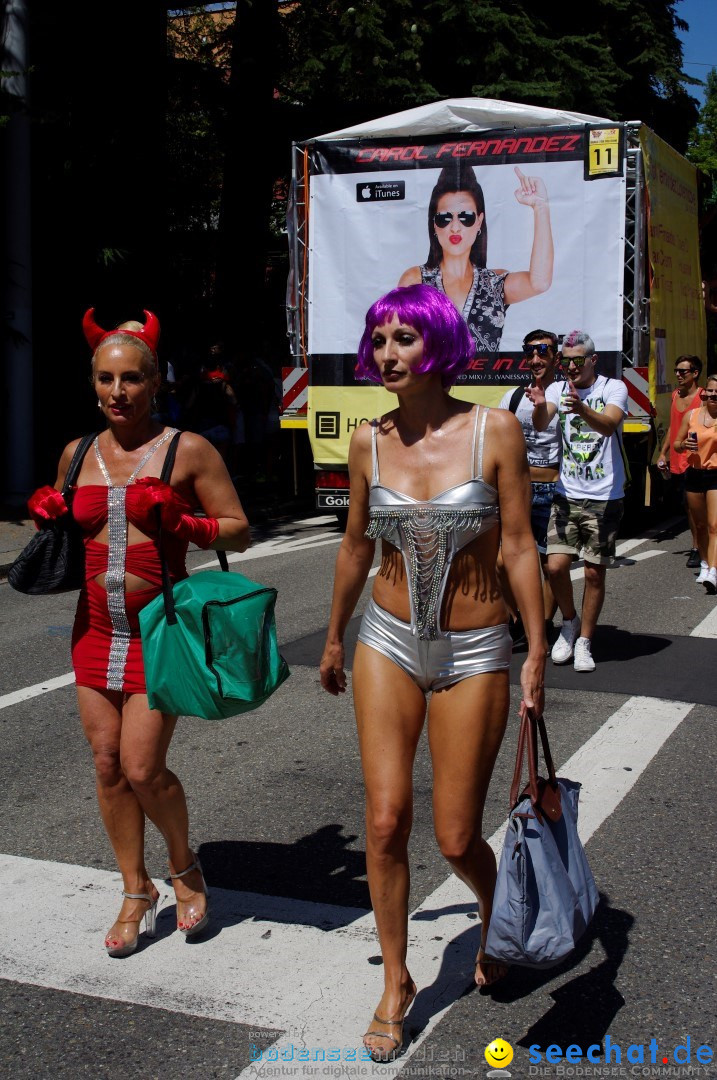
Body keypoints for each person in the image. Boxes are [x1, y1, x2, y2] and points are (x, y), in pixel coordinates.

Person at [319, 285, 546, 1061]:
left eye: (404, 339)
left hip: (476, 653)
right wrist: (330, 637)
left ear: (440, 344)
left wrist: (538, 652)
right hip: (385, 642)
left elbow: (518, 545)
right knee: (384, 822)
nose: (387, 353)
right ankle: (396, 982)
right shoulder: (366, 440)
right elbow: (355, 544)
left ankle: (496, 912)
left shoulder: (495, 429)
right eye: (378, 338)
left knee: (454, 836)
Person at [26, 309, 250, 957]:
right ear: (92, 383)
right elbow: (72, 531)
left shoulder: (188, 449)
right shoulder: (78, 453)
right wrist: (51, 515)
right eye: (105, 379)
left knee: (143, 766)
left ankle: (184, 870)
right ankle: (134, 888)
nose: (116, 392)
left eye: (130, 379)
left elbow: (236, 526)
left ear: (155, 383)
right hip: (93, 630)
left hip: (162, 630)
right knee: (106, 765)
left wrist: (183, 520)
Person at [527, 330, 628, 672]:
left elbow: (608, 424)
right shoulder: (556, 388)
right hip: (567, 495)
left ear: (592, 360)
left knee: (594, 573)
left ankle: (584, 640)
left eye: (577, 360)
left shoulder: (612, 388)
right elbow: (542, 424)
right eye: (565, 360)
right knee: (555, 566)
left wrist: (582, 408)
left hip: (604, 497)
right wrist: (540, 406)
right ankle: (568, 623)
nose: (570, 367)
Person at [398, 162, 553, 354]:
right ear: (434, 225)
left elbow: (540, 282)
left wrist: (541, 207)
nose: (455, 227)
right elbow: (400, 342)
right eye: (445, 218)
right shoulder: (415, 281)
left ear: (479, 221)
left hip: (486, 383)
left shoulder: (494, 283)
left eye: (466, 217)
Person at [498, 329, 561, 642]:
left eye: (543, 352)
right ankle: (519, 619)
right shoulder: (512, 397)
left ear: (555, 357)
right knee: (500, 563)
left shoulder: (566, 394)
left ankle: (545, 625)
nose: (536, 359)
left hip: (554, 489)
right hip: (518, 489)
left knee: (550, 566)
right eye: (530, 353)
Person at [656, 355, 703, 568]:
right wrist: (663, 453)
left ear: (695, 374)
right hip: (678, 457)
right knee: (688, 507)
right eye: (676, 370)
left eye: (683, 371)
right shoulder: (675, 395)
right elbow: (674, 430)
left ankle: (697, 548)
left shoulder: (704, 397)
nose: (678, 375)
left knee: (695, 506)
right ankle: (700, 546)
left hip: (698, 459)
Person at [673, 374, 717, 592]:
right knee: (699, 526)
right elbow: (677, 444)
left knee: (714, 525)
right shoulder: (692, 415)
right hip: (694, 474)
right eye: (710, 391)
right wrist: (684, 445)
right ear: (704, 392)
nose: (713, 395)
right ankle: (705, 563)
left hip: (716, 474)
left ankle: (713, 571)